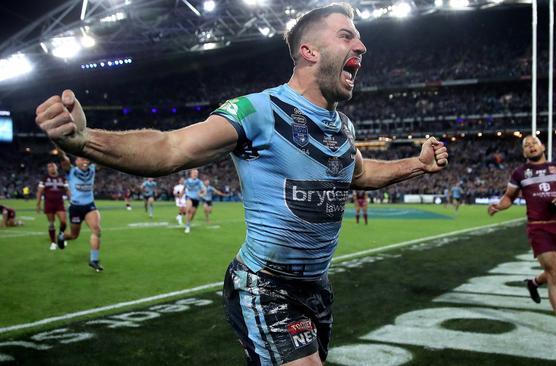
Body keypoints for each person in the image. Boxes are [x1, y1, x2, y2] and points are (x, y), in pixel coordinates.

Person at [34, 3, 448, 364]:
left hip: (317, 286)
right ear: (309, 51)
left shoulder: (342, 127)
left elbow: (358, 175)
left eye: (359, 39)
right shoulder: (257, 110)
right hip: (265, 286)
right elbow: (170, 148)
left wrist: (417, 164)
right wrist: (84, 141)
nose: (361, 47)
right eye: (347, 36)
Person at [488, 135, 556, 344]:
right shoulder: (519, 173)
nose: (530, 146)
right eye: (526, 145)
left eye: (534, 143)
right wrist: (498, 205)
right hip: (538, 228)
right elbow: (509, 197)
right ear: (524, 152)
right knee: (554, 274)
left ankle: (533, 283)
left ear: (543, 146)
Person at [57, 151, 104, 272]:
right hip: (76, 208)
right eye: (82, 159)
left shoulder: (92, 169)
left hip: (89, 206)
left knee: (97, 230)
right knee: (73, 235)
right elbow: (63, 158)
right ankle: (62, 236)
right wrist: (59, 146)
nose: (85, 161)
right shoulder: (71, 171)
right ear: (76, 161)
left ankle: (94, 260)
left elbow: (104, 160)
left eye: (86, 159)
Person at [35, 162, 70, 250]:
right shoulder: (44, 178)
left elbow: (67, 190)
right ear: (48, 169)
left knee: (63, 222)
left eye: (53, 166)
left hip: (60, 203)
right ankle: (53, 242)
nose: (51, 168)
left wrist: (72, 199)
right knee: (51, 224)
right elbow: (39, 192)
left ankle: (61, 236)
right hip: (49, 203)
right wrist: (38, 204)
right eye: (49, 167)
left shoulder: (62, 178)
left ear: (56, 168)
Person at [183, 169, 205, 234]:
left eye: (196, 173)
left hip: (196, 199)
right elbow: (184, 188)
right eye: (194, 173)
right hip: (189, 197)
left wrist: (201, 194)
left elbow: (204, 190)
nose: (195, 174)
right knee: (188, 210)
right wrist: (181, 194)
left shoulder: (199, 182)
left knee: (192, 214)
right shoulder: (186, 181)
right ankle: (187, 226)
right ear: (191, 174)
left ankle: (188, 222)